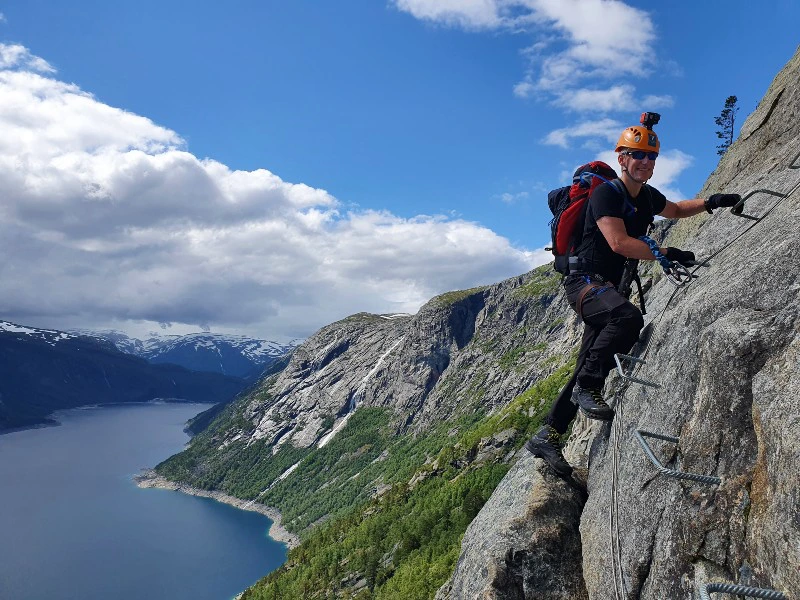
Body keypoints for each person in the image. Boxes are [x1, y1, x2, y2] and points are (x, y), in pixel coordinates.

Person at [526, 121, 741, 477]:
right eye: (637, 155)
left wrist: (711, 202)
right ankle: (588, 387)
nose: (645, 162)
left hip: (607, 287)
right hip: (584, 283)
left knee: (589, 357)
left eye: (651, 156)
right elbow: (619, 243)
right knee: (626, 319)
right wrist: (666, 252)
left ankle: (547, 434)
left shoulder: (647, 196)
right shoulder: (606, 195)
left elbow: (676, 209)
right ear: (622, 159)